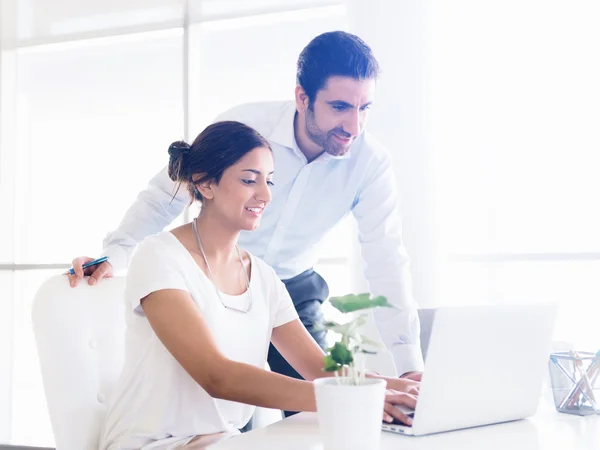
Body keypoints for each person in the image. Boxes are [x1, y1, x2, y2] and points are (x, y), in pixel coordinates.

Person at [69, 31, 424, 400]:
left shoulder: (371, 162)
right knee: (224, 398)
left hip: (290, 289)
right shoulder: (247, 127)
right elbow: (167, 192)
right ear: (302, 97)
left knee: (330, 405)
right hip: (212, 281)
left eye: (364, 108)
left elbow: (386, 259)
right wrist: (118, 252)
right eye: (339, 107)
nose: (354, 126)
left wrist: (410, 370)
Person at [98, 121, 419, 450]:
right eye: (249, 180)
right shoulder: (159, 256)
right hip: (153, 444)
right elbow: (216, 376)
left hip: (224, 442)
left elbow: (318, 369)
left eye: (269, 180)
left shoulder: (263, 276)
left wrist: (396, 387)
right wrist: (345, 398)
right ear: (205, 184)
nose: (265, 194)